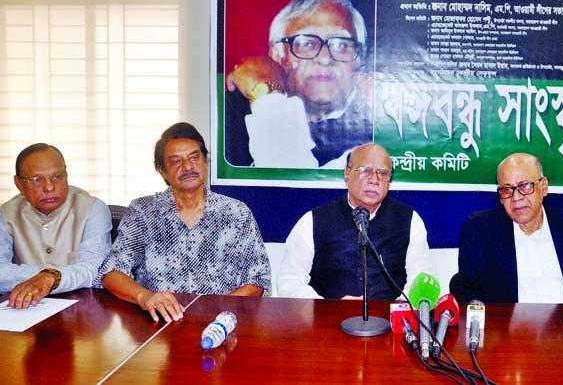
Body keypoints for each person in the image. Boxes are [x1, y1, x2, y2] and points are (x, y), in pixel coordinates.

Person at [97, 122, 270, 322]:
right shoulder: (143, 212)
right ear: (162, 170)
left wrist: (216, 312)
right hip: (157, 324)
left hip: (220, 324)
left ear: (205, 160)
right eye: (176, 162)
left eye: (194, 158)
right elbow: (111, 271)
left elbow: (257, 280)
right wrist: (145, 297)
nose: (188, 167)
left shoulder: (235, 212)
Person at [225, 0, 372, 168]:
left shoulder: (380, 131)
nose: (325, 59)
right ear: (278, 56)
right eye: (306, 43)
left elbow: (291, 178)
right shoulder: (231, 113)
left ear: (360, 60)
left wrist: (267, 97)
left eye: (342, 44)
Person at [450, 153, 563, 303]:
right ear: (500, 197)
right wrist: (477, 307)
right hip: (509, 332)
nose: (516, 197)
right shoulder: (477, 233)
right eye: (507, 189)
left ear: (543, 187)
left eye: (524, 186)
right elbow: (465, 286)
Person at [278, 143, 432, 299]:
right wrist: (332, 308)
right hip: (329, 319)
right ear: (347, 173)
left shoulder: (409, 220)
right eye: (365, 171)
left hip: (390, 319)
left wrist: (398, 309)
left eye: (383, 174)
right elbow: (289, 283)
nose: (374, 180)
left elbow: (423, 279)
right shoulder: (313, 221)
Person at [0, 143, 111, 308]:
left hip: (84, 310)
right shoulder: (6, 212)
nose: (49, 187)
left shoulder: (92, 208)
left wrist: (51, 278)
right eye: (36, 180)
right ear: (19, 184)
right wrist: (45, 277)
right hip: (23, 308)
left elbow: (96, 269)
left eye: (57, 176)